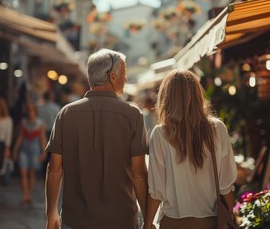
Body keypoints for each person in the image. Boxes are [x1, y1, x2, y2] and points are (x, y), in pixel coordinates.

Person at [45, 48, 149, 229]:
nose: (125, 79)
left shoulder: (66, 114)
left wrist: (51, 213)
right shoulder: (133, 115)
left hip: (76, 220)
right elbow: (138, 173)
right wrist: (148, 219)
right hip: (121, 220)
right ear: (112, 76)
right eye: (124, 74)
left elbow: (55, 169)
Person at [143, 69, 237, 229]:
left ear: (166, 97)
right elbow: (225, 184)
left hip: (173, 222)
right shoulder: (217, 128)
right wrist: (232, 217)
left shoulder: (160, 134)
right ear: (197, 95)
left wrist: (147, 223)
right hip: (211, 221)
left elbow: (157, 190)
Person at [13, 103, 47, 205]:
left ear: (35, 112)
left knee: (32, 172)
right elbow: (20, 137)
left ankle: (29, 194)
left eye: (32, 110)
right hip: (24, 150)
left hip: (35, 150)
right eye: (29, 111)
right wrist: (15, 150)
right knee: (23, 172)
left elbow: (42, 139)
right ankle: (24, 194)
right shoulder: (23, 123)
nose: (30, 113)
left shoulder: (40, 124)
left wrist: (44, 152)